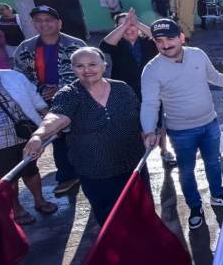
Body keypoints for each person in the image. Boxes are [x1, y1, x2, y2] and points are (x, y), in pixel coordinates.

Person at [23, 48, 142, 226]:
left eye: (93, 64)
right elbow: (56, 116)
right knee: (108, 215)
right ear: (72, 68)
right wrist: (39, 136)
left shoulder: (122, 88)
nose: (87, 70)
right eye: (80, 66)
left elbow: (138, 116)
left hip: (132, 163)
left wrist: (149, 134)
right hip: (95, 169)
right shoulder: (70, 93)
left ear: (104, 65)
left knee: (138, 209)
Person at [140, 19, 223, 230]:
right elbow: (149, 104)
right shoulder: (152, 70)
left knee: (213, 162)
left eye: (170, 38)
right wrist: (148, 130)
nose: (166, 45)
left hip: (209, 122)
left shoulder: (198, 55)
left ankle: (218, 195)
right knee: (186, 170)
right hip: (181, 131)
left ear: (181, 37)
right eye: (159, 41)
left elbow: (215, 77)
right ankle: (194, 206)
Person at [14, 5, 86, 196]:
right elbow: (21, 79)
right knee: (57, 139)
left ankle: (90, 172)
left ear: (59, 23)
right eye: (39, 20)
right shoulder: (25, 48)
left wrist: (61, 87)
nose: (44, 24)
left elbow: (89, 72)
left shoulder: (76, 44)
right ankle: (67, 177)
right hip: (45, 104)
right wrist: (41, 93)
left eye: (48, 20)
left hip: (76, 100)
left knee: (84, 138)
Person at [0, 48, 57, 225]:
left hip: (24, 133)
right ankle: (16, 209)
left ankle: (40, 201)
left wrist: (52, 121)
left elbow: (34, 98)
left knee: (31, 169)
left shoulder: (11, 76)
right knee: (8, 177)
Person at [99, 9, 177, 167]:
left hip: (153, 88)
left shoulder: (148, 42)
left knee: (159, 120)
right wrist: (125, 24)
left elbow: (158, 37)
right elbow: (104, 46)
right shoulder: (117, 45)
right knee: (133, 122)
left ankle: (164, 150)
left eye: (131, 25)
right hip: (126, 91)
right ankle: (141, 154)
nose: (129, 28)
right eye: (123, 26)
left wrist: (137, 23)